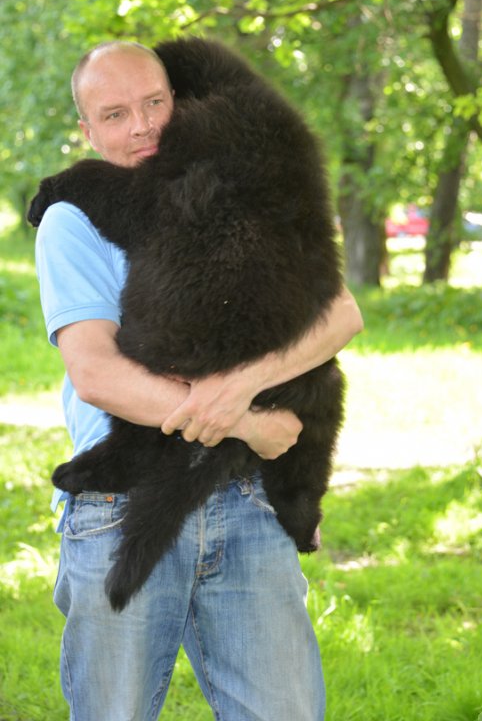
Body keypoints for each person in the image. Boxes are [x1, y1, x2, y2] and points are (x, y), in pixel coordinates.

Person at [34, 40, 363, 721]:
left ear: (181, 102)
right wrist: (247, 420)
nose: (144, 125)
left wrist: (245, 389)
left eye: (156, 103)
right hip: (122, 499)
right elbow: (96, 373)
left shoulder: (226, 185)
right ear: (88, 131)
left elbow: (341, 316)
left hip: (243, 500)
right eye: (116, 113)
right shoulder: (71, 222)